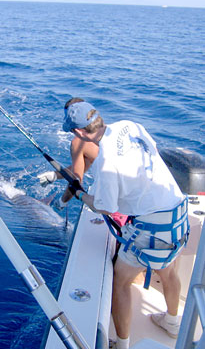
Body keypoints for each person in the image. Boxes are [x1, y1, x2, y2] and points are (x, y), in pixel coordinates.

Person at [59, 100, 189, 349]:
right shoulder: (131, 125)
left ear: (77, 132)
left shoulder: (107, 164)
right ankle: (172, 323)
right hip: (179, 212)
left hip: (154, 226)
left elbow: (105, 206)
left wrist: (78, 194)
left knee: (120, 281)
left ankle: (122, 344)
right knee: (169, 270)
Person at [37, 98, 128, 227]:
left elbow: (76, 181)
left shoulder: (78, 142)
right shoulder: (115, 130)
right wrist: (55, 175)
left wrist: (62, 203)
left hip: (117, 207)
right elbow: (84, 165)